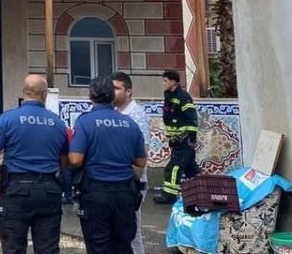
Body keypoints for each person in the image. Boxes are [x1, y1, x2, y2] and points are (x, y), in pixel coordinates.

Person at [0, 74, 69, 254]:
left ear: (24, 92)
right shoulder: (59, 123)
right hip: (48, 191)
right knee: (48, 249)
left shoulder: (7, 119)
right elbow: (65, 162)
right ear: (45, 94)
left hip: (15, 191)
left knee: (13, 248)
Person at [69, 76, 147, 254]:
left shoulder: (85, 121)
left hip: (96, 194)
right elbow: (141, 161)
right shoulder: (130, 123)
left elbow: (75, 160)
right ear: (113, 97)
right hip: (125, 195)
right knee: (123, 245)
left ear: (91, 96)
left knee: (99, 246)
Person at [112, 71, 151, 254]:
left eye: (117, 88)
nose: (113, 92)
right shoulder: (113, 112)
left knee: (132, 233)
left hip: (132, 183)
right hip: (118, 183)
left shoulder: (137, 115)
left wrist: (133, 180)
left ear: (128, 91)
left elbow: (142, 155)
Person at [155, 69, 200, 204]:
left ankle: (169, 196)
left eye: (165, 80)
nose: (163, 83)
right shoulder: (169, 96)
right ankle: (204, 190)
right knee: (191, 168)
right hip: (176, 141)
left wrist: (192, 138)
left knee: (174, 167)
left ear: (173, 81)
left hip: (184, 140)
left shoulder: (183, 97)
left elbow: (191, 118)